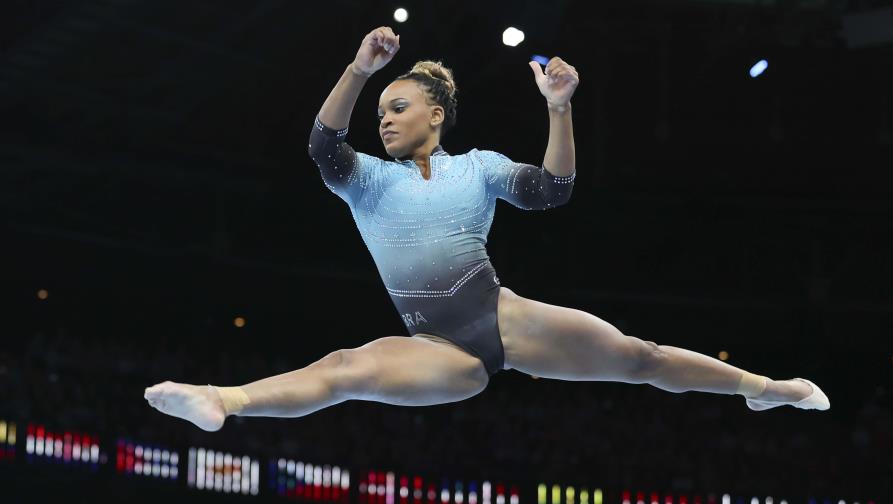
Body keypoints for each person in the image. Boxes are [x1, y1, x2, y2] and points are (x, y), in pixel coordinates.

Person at [144, 26, 829, 432]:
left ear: (436, 114)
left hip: (503, 318)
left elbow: (553, 190)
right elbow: (324, 142)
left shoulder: (479, 168)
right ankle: (219, 400)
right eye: (380, 110)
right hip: (436, 346)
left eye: (398, 106)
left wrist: (559, 111)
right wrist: (359, 70)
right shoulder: (364, 180)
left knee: (641, 359)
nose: (383, 119)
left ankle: (766, 390)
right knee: (346, 368)